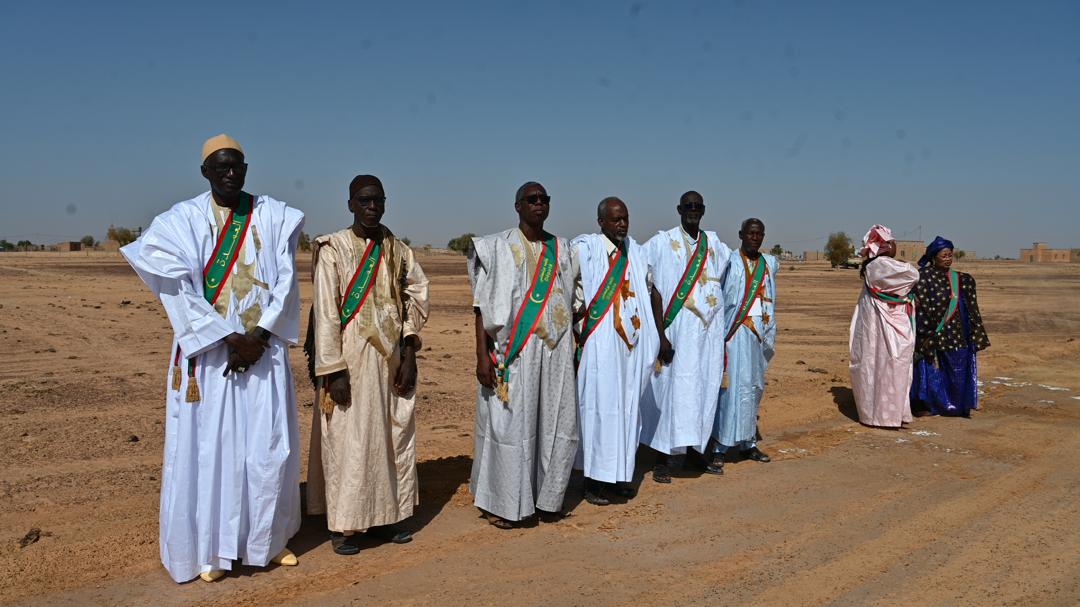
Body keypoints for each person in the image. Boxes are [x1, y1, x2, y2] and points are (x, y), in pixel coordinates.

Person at [121, 134, 304, 583]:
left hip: (262, 353)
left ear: (246, 169)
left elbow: (286, 280)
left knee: (265, 448)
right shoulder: (181, 220)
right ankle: (211, 552)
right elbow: (177, 290)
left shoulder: (271, 215)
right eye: (221, 167)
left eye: (237, 166)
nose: (230, 173)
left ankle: (266, 541)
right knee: (212, 452)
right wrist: (229, 337)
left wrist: (259, 335)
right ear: (205, 172)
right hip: (210, 357)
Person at [306, 175, 429, 555]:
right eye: (364, 200)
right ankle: (345, 525)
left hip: (390, 360)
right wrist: (333, 371)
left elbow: (416, 297)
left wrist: (410, 354)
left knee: (389, 438)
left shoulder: (399, 250)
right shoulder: (334, 248)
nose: (372, 207)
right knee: (349, 440)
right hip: (350, 361)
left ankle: (385, 517)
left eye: (378, 200)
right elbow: (326, 312)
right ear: (350, 204)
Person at [467, 182, 580, 528]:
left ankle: (547, 498)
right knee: (510, 429)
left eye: (544, 199)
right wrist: (482, 356)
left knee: (556, 424)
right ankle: (504, 503)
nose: (539, 204)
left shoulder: (562, 249)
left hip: (556, 352)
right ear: (518, 206)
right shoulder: (498, 247)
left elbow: (576, 298)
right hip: (514, 352)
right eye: (532, 199)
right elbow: (480, 307)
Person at [572, 198, 659, 505]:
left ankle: (620, 475)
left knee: (627, 412)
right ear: (601, 222)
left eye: (625, 218)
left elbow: (650, 290)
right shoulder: (585, 250)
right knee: (598, 410)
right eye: (615, 219)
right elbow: (569, 290)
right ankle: (593, 481)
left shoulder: (637, 252)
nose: (622, 224)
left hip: (630, 347)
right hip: (601, 347)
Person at [640, 191, 732, 483]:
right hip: (676, 333)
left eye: (698, 206)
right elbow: (651, 288)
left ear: (703, 210)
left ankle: (695, 450)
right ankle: (663, 457)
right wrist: (660, 335)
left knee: (702, 390)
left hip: (707, 336)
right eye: (688, 206)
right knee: (671, 393)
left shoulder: (715, 245)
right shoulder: (661, 243)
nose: (693, 210)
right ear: (679, 209)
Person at [712, 218, 778, 470]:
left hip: (758, 337)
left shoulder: (769, 264)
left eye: (759, 234)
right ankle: (720, 446)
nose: (755, 238)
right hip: (733, 335)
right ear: (741, 235)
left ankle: (747, 443)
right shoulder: (729, 261)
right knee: (730, 392)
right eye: (750, 233)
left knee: (753, 388)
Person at [848, 224, 920, 429]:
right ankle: (886, 415)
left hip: (877, 323)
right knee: (892, 365)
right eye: (893, 242)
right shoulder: (882, 266)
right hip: (886, 326)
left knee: (874, 366)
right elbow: (913, 275)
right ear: (886, 246)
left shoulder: (873, 266)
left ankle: (879, 413)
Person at [909, 237, 990, 417]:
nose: (948, 259)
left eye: (950, 255)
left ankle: (955, 404)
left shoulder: (963, 280)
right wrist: (925, 333)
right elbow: (919, 305)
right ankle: (928, 404)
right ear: (933, 257)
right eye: (944, 255)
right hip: (929, 332)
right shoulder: (922, 277)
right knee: (929, 369)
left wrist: (976, 332)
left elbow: (972, 309)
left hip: (955, 333)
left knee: (957, 367)